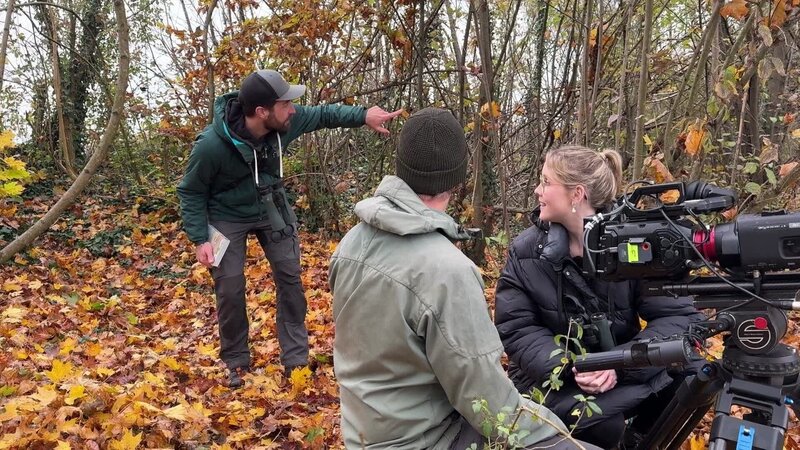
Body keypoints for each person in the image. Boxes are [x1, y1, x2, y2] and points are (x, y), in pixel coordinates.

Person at [329, 109, 601, 450]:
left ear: (401, 166)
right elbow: (485, 402)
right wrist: (564, 436)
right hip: (430, 439)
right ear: (457, 179)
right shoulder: (447, 270)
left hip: (364, 434)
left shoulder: (350, 243)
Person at [177, 69, 403, 388]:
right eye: (286, 104)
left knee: (290, 278)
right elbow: (191, 190)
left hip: (271, 206)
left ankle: (295, 360)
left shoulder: (284, 123)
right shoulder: (211, 145)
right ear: (261, 112)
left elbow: (324, 114)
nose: (293, 110)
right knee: (229, 286)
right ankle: (236, 362)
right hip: (226, 215)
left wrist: (364, 114)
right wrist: (200, 237)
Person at [494, 145, 705, 449]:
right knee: (602, 422)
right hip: (553, 381)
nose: (538, 191)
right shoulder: (527, 251)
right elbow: (516, 327)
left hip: (625, 369)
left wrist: (620, 363)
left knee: (697, 377)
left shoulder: (634, 241)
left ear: (576, 194)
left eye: (546, 182)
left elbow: (677, 316)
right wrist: (572, 365)